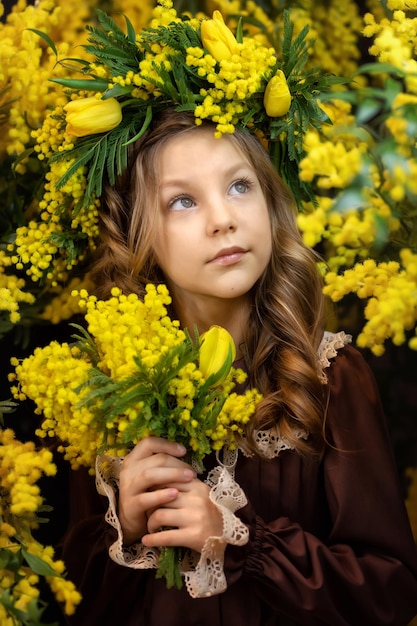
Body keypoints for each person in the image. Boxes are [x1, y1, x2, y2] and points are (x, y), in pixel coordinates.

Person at [60, 108, 417, 626]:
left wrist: (241, 538)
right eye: (183, 201)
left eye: (240, 186)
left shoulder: (328, 377)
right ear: (139, 235)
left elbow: (391, 589)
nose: (223, 218)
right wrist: (128, 527)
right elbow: (72, 604)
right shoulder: (102, 392)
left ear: (272, 204)